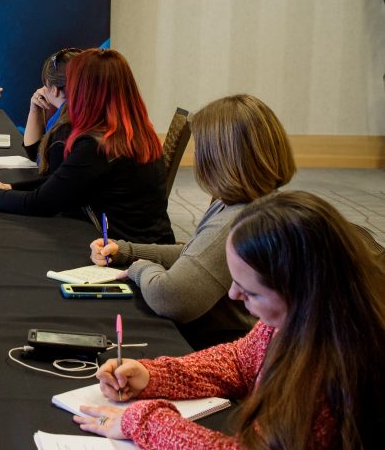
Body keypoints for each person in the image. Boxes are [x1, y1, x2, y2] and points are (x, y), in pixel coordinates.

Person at [74, 192, 385, 450]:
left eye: (251, 291)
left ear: (302, 291)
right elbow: (239, 361)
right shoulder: (298, 318)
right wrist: (152, 376)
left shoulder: (331, 372)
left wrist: (143, 420)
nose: (235, 294)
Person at [89, 94, 296, 349]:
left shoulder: (236, 222)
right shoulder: (243, 202)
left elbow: (172, 298)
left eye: (199, 150)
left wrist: (139, 268)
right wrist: (127, 251)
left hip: (218, 345)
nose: (196, 158)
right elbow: (195, 253)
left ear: (217, 158)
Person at [0, 48, 174, 244]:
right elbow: (64, 181)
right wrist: (8, 188)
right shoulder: (132, 132)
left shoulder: (96, 145)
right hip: (147, 246)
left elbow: (42, 204)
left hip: (126, 255)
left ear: (86, 89)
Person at [0, 47, 79, 191]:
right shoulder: (67, 115)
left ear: (54, 89)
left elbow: (50, 188)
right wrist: (35, 109)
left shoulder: (65, 128)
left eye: (46, 84)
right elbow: (35, 153)